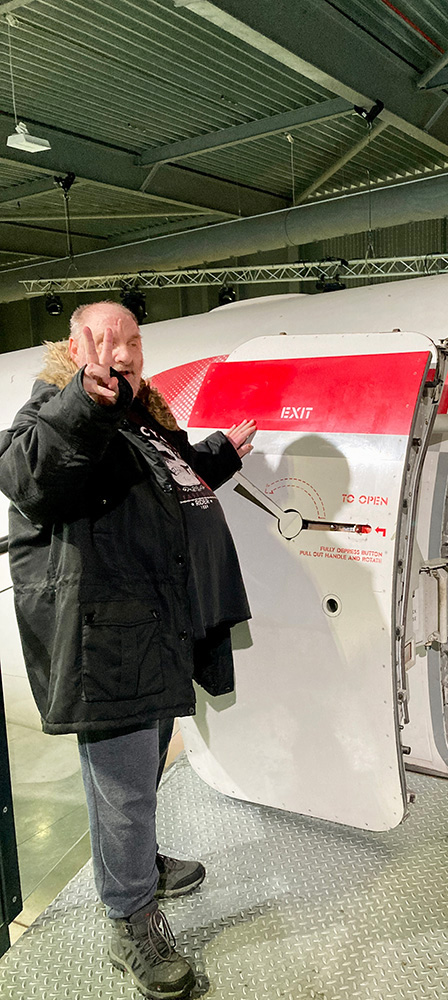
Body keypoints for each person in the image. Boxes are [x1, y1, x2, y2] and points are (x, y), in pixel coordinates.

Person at [0, 301, 255, 999]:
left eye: (133, 339)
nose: (124, 350)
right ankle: (129, 919)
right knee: (120, 784)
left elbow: (153, 491)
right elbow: (29, 476)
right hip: (106, 638)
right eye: (104, 338)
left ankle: (136, 864)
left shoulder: (142, 421)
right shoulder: (56, 410)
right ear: (74, 346)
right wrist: (86, 399)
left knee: (142, 769)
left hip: (154, 625)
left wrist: (219, 456)